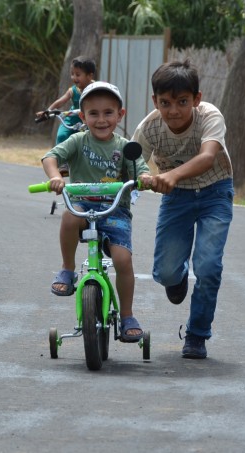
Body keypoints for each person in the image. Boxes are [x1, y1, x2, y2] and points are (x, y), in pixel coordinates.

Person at [131, 60, 234, 359]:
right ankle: (176, 278)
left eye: (182, 102)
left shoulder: (209, 116)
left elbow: (207, 156)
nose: (173, 110)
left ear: (197, 99)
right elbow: (132, 161)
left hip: (215, 193)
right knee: (164, 272)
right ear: (155, 101)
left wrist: (172, 175)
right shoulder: (149, 128)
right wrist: (141, 177)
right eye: (165, 103)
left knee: (209, 267)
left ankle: (197, 335)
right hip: (177, 200)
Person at [42, 81, 151, 342]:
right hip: (83, 206)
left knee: (123, 261)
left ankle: (127, 315)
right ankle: (68, 269)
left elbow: (141, 167)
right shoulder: (78, 141)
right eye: (93, 114)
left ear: (120, 115)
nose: (101, 120)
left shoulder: (126, 146)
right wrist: (56, 177)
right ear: (83, 117)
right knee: (69, 216)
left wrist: (145, 177)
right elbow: (50, 157)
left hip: (115, 211)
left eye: (108, 113)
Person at [37, 56, 96, 145]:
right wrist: (47, 111)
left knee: (87, 142)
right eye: (72, 74)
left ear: (90, 76)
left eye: (78, 74)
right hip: (71, 119)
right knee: (62, 136)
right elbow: (60, 102)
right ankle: (59, 157)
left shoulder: (97, 89)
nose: (74, 77)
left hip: (88, 121)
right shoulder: (72, 91)